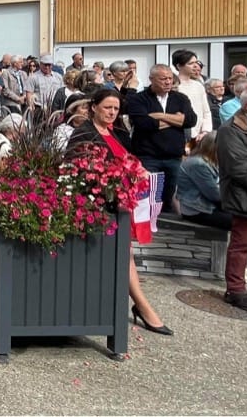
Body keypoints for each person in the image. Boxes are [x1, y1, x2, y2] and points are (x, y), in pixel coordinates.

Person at [68, 88, 174, 333]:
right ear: (93, 107)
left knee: (126, 253)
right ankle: (142, 306)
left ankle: (141, 306)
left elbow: (129, 158)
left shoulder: (118, 132)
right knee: (124, 255)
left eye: (116, 109)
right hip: (98, 205)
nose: (112, 113)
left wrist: (137, 170)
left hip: (123, 203)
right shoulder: (83, 133)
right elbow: (74, 167)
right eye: (107, 107)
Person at [125, 64, 196, 213]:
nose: (168, 82)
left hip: (174, 156)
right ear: (152, 79)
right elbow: (144, 123)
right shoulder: (139, 99)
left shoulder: (180, 98)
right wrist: (176, 120)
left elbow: (190, 120)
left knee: (170, 196)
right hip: (148, 156)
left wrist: (160, 116)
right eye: (163, 79)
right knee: (149, 197)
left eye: (170, 78)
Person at [216, 88, 247, 312]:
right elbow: (238, 168)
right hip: (244, 195)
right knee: (243, 244)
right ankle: (235, 290)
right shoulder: (231, 129)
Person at [178, 131, 230, 230]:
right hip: (198, 210)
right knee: (241, 222)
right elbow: (215, 195)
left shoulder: (211, 161)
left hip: (212, 206)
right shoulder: (198, 164)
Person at [173, 49, 212, 139]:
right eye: (190, 63)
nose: (195, 66)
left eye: (196, 62)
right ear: (179, 66)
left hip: (200, 135)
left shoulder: (198, 85)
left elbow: (206, 111)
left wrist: (205, 131)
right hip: (181, 134)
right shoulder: (173, 86)